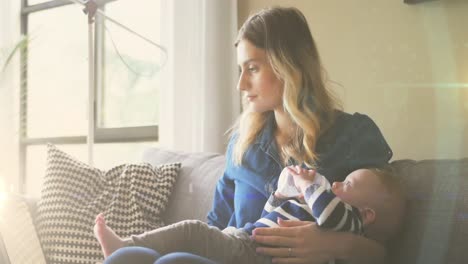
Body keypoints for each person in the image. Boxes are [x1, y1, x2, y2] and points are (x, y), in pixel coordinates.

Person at [104, 6, 396, 264]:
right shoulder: (243, 144)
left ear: (289, 66)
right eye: (240, 70)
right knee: (129, 257)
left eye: (253, 68)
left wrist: (333, 244)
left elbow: (386, 248)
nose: (241, 84)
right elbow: (215, 228)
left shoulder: (354, 136)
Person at [95, 166, 405, 264]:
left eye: (347, 184)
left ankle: (125, 244)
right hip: (241, 239)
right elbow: (265, 215)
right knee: (130, 259)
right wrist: (281, 195)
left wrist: (310, 185)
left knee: (180, 250)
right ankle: (124, 248)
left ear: (367, 215)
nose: (336, 183)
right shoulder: (243, 145)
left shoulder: (347, 220)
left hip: (251, 254)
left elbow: (332, 218)